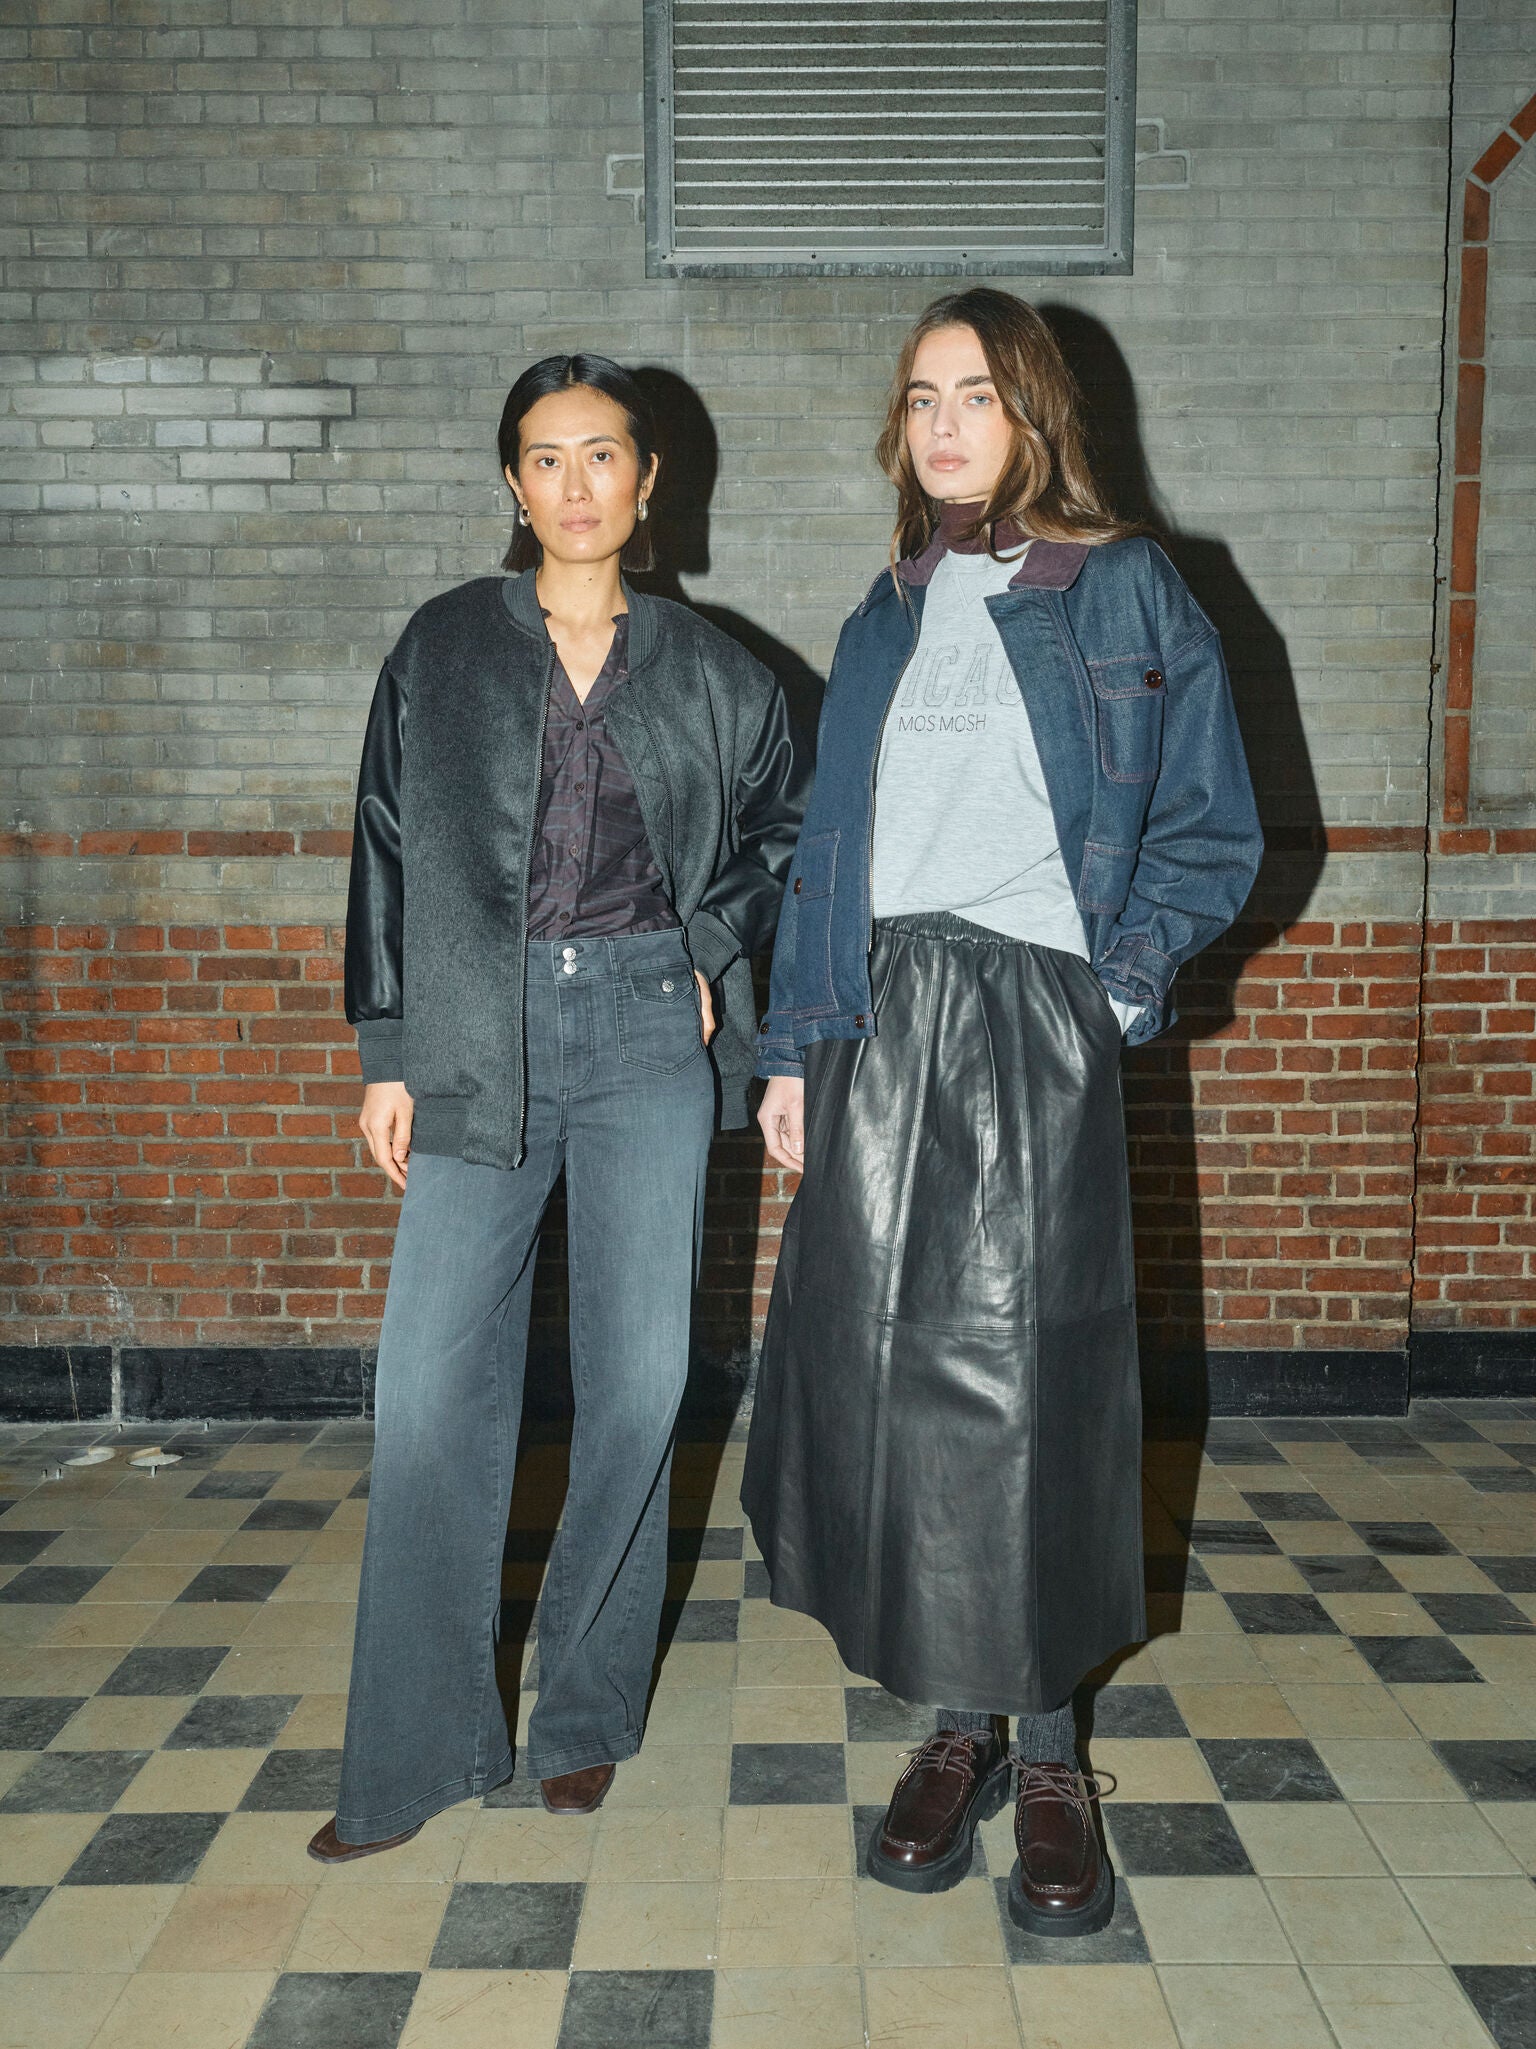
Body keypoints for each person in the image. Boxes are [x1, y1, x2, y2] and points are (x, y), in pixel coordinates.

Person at [743, 288, 1262, 1934]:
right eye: (921, 398)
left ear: (1035, 413)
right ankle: (952, 1725)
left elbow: (1211, 824)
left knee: (1032, 1388)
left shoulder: (1122, 584)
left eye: (975, 393)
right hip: (877, 1014)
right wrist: (791, 1049)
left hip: (1032, 1011)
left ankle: (1045, 1752)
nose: (944, 424)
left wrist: (1109, 993)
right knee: (893, 1387)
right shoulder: (884, 610)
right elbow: (827, 850)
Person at [310, 353, 808, 1862]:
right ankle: (417, 1749)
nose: (576, 483)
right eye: (546, 457)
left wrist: (711, 945)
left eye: (603, 455)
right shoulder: (444, 645)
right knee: (426, 1394)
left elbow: (786, 833)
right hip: (481, 1027)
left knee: (641, 1384)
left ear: (649, 482)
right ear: (513, 486)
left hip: (651, 1025)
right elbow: (385, 840)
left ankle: (585, 1714)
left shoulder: (717, 669)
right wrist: (387, 1046)